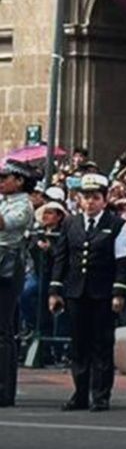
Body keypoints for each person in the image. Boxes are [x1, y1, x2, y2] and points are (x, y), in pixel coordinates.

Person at [47, 173, 126, 412]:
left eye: (95, 198)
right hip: (77, 291)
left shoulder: (116, 225)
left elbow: (124, 261)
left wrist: (119, 292)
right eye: (85, 198)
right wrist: (55, 289)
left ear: (104, 200)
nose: (90, 202)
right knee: (79, 345)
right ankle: (80, 393)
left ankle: (100, 395)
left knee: (102, 345)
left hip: (103, 291)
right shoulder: (70, 223)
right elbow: (61, 258)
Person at [0, 162, 34, 408]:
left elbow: (4, 225)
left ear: (20, 180)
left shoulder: (24, 204)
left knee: (3, 330)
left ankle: (4, 389)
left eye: (5, 178)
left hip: (7, 264)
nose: (1, 182)